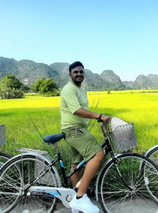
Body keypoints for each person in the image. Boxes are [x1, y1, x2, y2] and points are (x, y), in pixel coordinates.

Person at [60, 61, 110, 213]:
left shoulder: (81, 90)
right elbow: (76, 110)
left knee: (76, 164)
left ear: (84, 74)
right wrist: (98, 116)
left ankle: (75, 202)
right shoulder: (69, 89)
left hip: (79, 129)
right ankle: (81, 197)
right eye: (75, 72)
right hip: (74, 130)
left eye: (81, 72)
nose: (79, 74)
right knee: (98, 154)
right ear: (70, 74)